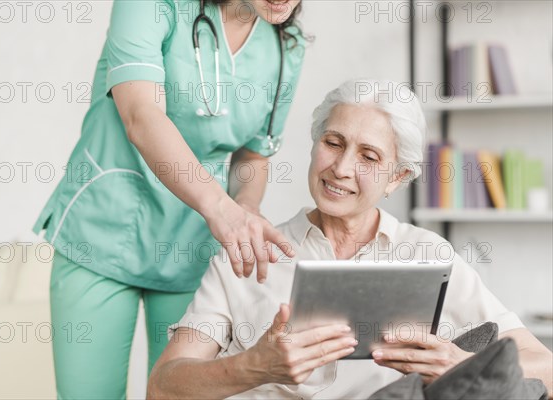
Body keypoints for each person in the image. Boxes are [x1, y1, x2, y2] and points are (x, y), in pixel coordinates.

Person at [148, 79, 553, 399]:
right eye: (333, 143)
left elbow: (544, 367)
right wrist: (254, 366)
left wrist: (457, 361)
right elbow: (162, 388)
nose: (341, 168)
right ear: (314, 145)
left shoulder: (428, 254)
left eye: (369, 157)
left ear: (398, 178)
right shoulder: (249, 253)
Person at [32, 0, 306, 397]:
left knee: (181, 392)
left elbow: (254, 153)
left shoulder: (287, 44)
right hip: (104, 228)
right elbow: (141, 115)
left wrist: (244, 208)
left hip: (194, 243)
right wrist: (221, 209)